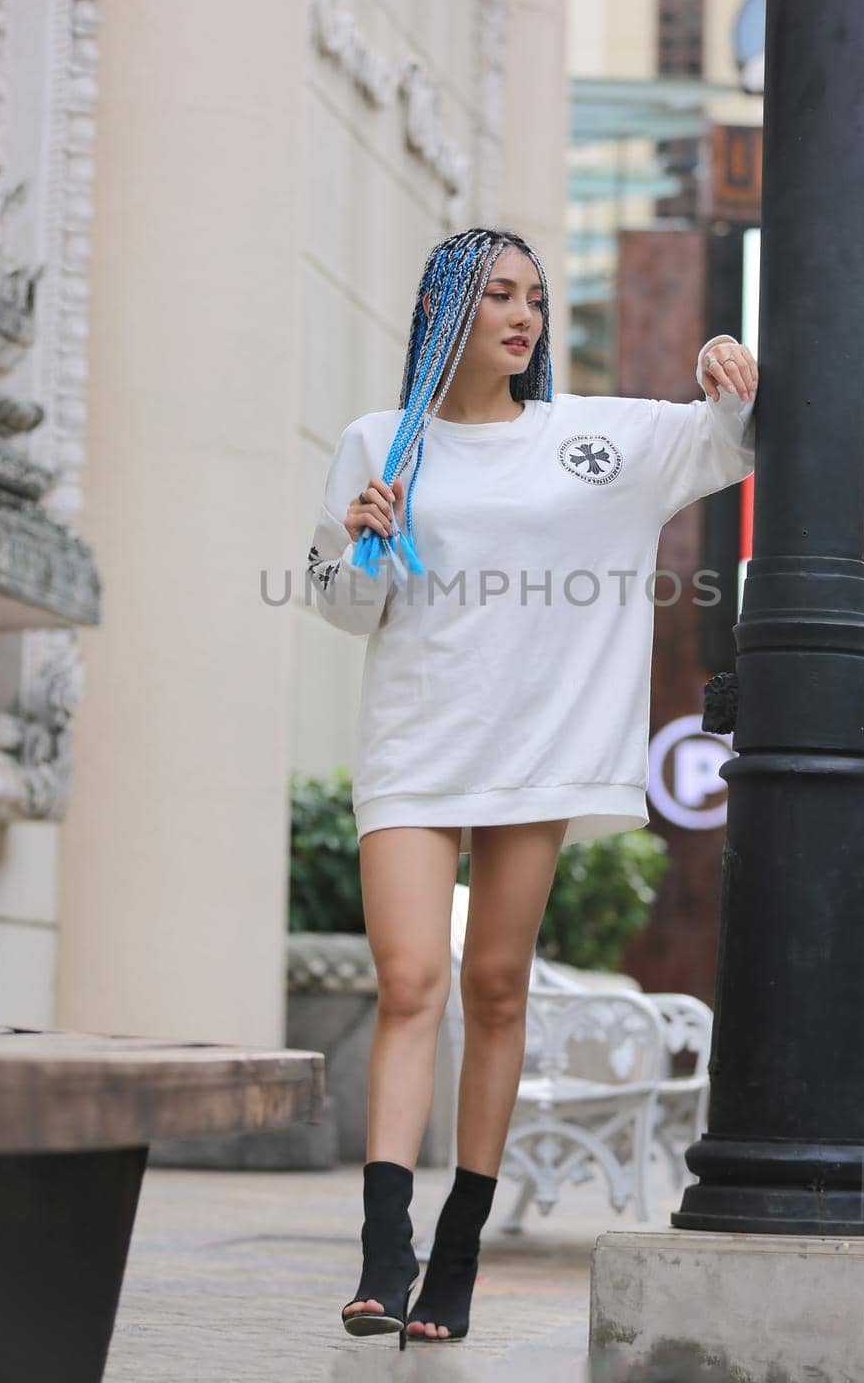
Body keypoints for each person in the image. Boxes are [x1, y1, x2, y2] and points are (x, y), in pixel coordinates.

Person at [306, 226, 757, 1347]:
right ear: (446, 311)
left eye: (536, 300)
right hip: (416, 743)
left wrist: (721, 357)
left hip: (535, 749)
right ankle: (382, 1254)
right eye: (499, 295)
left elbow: (731, 436)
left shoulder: (590, 438)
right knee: (410, 981)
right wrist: (353, 535)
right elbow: (341, 602)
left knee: (495, 986)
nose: (522, 316)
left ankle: (455, 1257)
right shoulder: (379, 441)